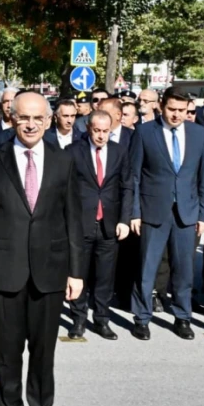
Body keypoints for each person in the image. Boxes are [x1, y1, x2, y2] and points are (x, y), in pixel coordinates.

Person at [0, 91, 83, 406]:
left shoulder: (63, 161)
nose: (31, 124)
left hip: (50, 269)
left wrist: (76, 271)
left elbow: (73, 220)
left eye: (38, 118)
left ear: (48, 121)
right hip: (5, 269)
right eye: (24, 117)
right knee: (8, 347)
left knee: (43, 348)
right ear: (12, 118)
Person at [130, 88, 204, 341]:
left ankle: (182, 317)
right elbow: (133, 176)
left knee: (184, 269)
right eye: (172, 110)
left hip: (187, 213)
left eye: (182, 110)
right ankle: (142, 318)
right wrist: (134, 212)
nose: (177, 115)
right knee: (147, 268)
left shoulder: (198, 134)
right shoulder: (145, 132)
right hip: (153, 211)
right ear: (161, 107)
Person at [66, 109, 131, 341]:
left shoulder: (120, 152)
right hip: (81, 223)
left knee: (105, 276)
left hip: (109, 224)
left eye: (106, 131)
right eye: (97, 131)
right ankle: (79, 318)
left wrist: (125, 219)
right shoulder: (73, 152)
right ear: (88, 128)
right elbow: (65, 190)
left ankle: (102, 319)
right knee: (78, 274)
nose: (101, 136)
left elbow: (127, 187)